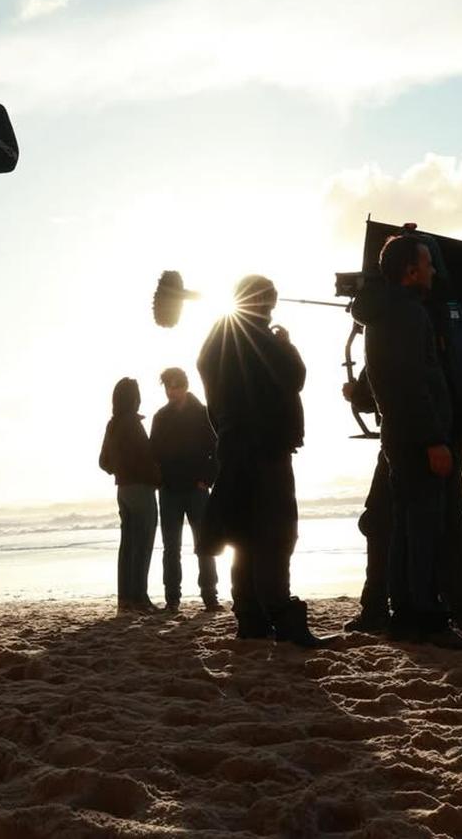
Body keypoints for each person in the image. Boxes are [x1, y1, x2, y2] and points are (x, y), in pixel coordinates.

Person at [353, 233, 462, 649]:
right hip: (416, 437)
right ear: (410, 270)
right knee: (422, 529)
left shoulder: (386, 310)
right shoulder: (406, 313)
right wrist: (434, 439)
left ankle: (405, 614)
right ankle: (424, 616)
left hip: (400, 434)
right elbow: (411, 382)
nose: (432, 270)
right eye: (427, 262)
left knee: (406, 527)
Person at [195, 275, 323, 647]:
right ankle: (281, 616)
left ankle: (250, 619)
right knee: (276, 534)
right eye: (271, 302)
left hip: (233, 446)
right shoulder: (261, 339)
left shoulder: (214, 343)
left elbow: (213, 395)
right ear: (264, 302)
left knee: (244, 535)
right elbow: (294, 376)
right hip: (266, 448)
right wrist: (286, 343)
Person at [150, 367, 221, 612]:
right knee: (171, 548)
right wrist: (160, 480)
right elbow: (153, 453)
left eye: (176, 386)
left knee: (204, 545)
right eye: (168, 387)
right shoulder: (160, 417)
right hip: (169, 490)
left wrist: (207, 479)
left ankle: (210, 596)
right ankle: (172, 600)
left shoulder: (203, 413)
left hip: (197, 489)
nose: (172, 391)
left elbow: (217, 448)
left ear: (185, 386)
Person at [99, 377, 162, 614]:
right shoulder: (132, 425)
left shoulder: (113, 425)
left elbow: (103, 461)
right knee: (143, 544)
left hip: (123, 489)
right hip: (141, 489)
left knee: (127, 545)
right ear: (134, 398)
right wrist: (158, 478)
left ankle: (125, 598)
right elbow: (146, 457)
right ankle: (139, 598)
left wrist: (119, 470)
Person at [341, 369, 396, 633]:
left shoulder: (388, 346)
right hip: (442, 439)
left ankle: (376, 608)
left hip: (399, 442)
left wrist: (355, 394)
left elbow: (370, 397)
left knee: (376, 523)